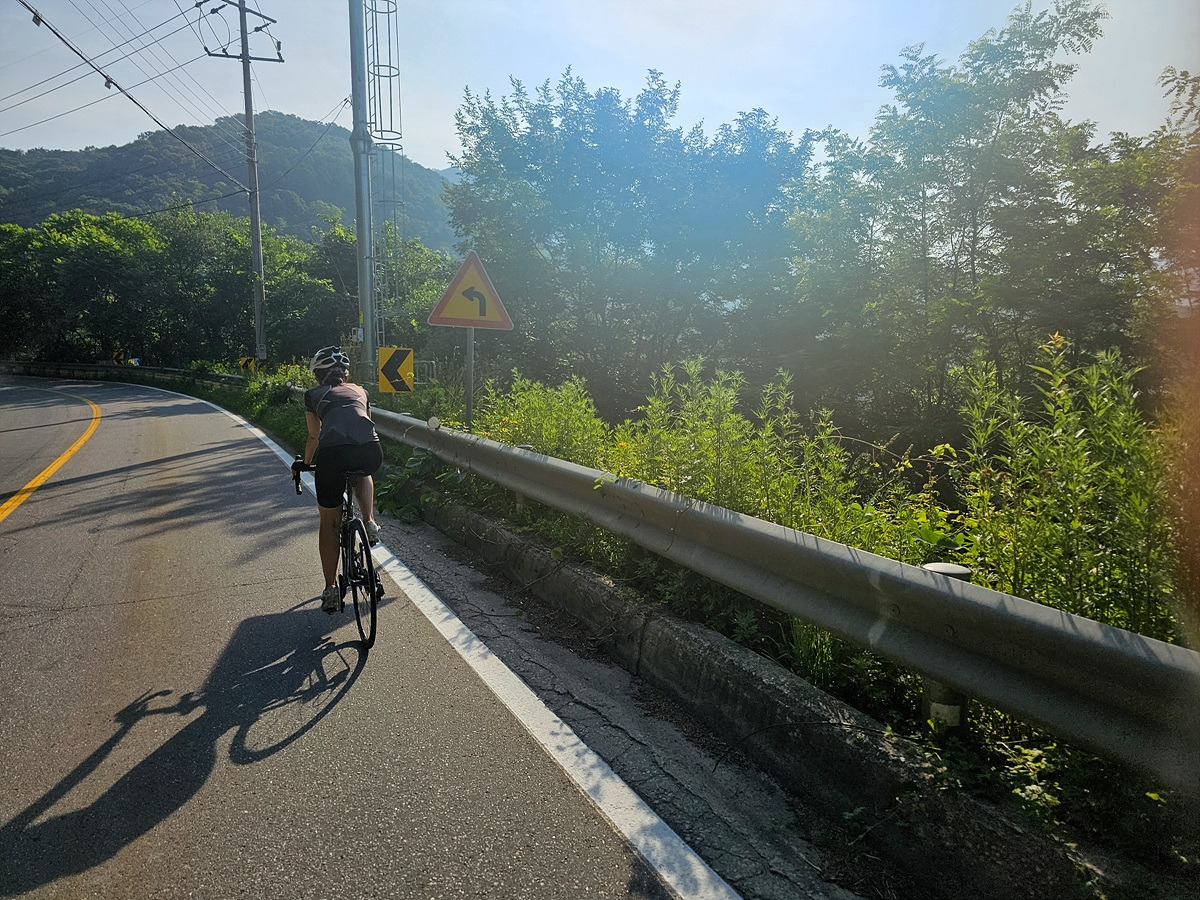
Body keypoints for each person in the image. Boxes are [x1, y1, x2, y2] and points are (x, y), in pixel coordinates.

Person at [294, 346, 384, 613]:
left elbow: (314, 436)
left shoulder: (313, 395)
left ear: (317, 375)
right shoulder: (361, 391)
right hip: (371, 450)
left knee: (329, 522)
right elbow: (365, 425)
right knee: (363, 471)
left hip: (332, 455)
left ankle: (330, 589)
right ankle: (369, 521)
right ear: (346, 374)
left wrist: (306, 463)